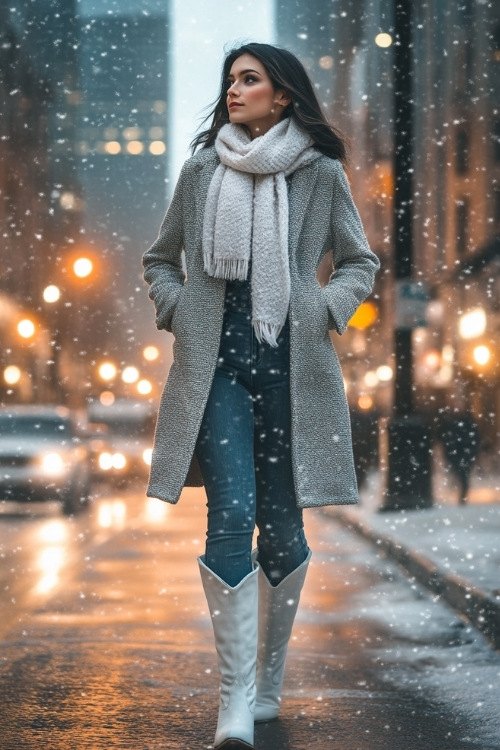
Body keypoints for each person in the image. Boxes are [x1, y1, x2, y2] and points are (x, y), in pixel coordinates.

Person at [143, 42, 379, 750]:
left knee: (281, 529)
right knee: (230, 515)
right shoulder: (199, 171)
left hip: (290, 374)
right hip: (215, 370)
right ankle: (234, 702)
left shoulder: (319, 173)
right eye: (231, 80)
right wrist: (179, 307)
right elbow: (161, 259)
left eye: (250, 79)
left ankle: (269, 679)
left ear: (283, 97)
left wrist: (324, 306)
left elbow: (361, 261)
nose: (235, 90)